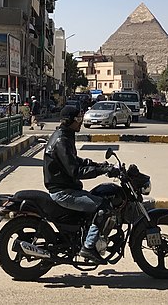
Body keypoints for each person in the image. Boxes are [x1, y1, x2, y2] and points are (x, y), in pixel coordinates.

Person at [43, 105, 115, 264]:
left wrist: (99, 165)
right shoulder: (61, 140)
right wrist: (99, 171)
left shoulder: (65, 136)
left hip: (66, 187)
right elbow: (75, 170)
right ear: (69, 121)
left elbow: (75, 161)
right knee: (103, 207)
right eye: (78, 119)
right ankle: (88, 247)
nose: (81, 122)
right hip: (63, 192)